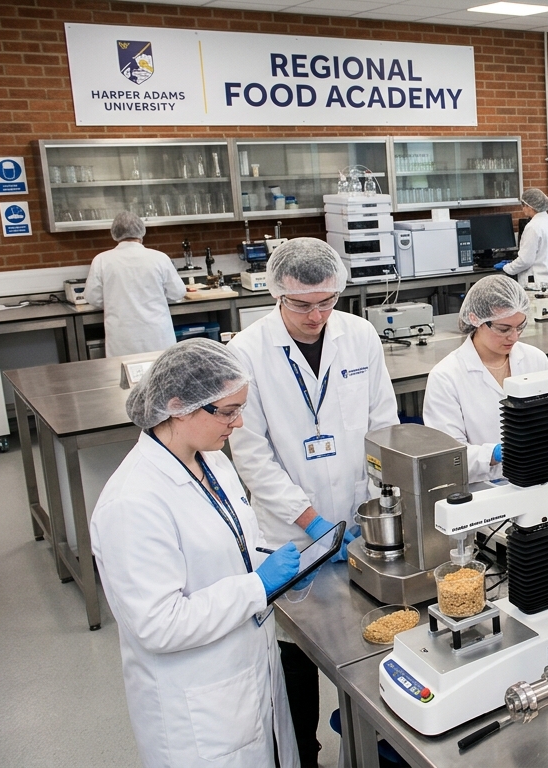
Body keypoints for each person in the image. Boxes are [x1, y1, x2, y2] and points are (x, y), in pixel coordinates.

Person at [91, 339, 317, 768]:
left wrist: (277, 568)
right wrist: (257, 586)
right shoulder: (132, 502)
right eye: (228, 411)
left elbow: (232, 545)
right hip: (197, 705)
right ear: (178, 406)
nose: (239, 422)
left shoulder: (212, 462)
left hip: (249, 670)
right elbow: (158, 625)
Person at [228, 237, 399, 768]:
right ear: (276, 294)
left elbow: (382, 423)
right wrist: (314, 521)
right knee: (295, 660)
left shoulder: (359, 335)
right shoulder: (247, 351)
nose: (316, 316)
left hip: (362, 520)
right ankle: (303, 753)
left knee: (368, 642)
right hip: (290, 534)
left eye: (327, 301)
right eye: (302, 304)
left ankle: (367, 746)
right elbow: (252, 455)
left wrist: (380, 501)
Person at [424, 275, 548, 483]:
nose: (514, 337)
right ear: (476, 319)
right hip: (481, 489)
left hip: (539, 478)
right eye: (503, 329)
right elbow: (447, 456)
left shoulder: (535, 359)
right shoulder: (446, 376)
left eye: (520, 326)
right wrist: (494, 454)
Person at [84, 211, 187, 357]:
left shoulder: (101, 260)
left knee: (125, 370)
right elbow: (178, 292)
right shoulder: (159, 258)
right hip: (157, 336)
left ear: (114, 233)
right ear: (141, 232)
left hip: (122, 338)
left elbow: (92, 298)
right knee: (160, 370)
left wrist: (114, 300)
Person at [495, 188, 548, 291]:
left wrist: (507, 268)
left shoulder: (533, 226)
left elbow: (525, 261)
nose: (523, 209)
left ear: (530, 206)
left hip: (536, 285)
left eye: (523, 205)